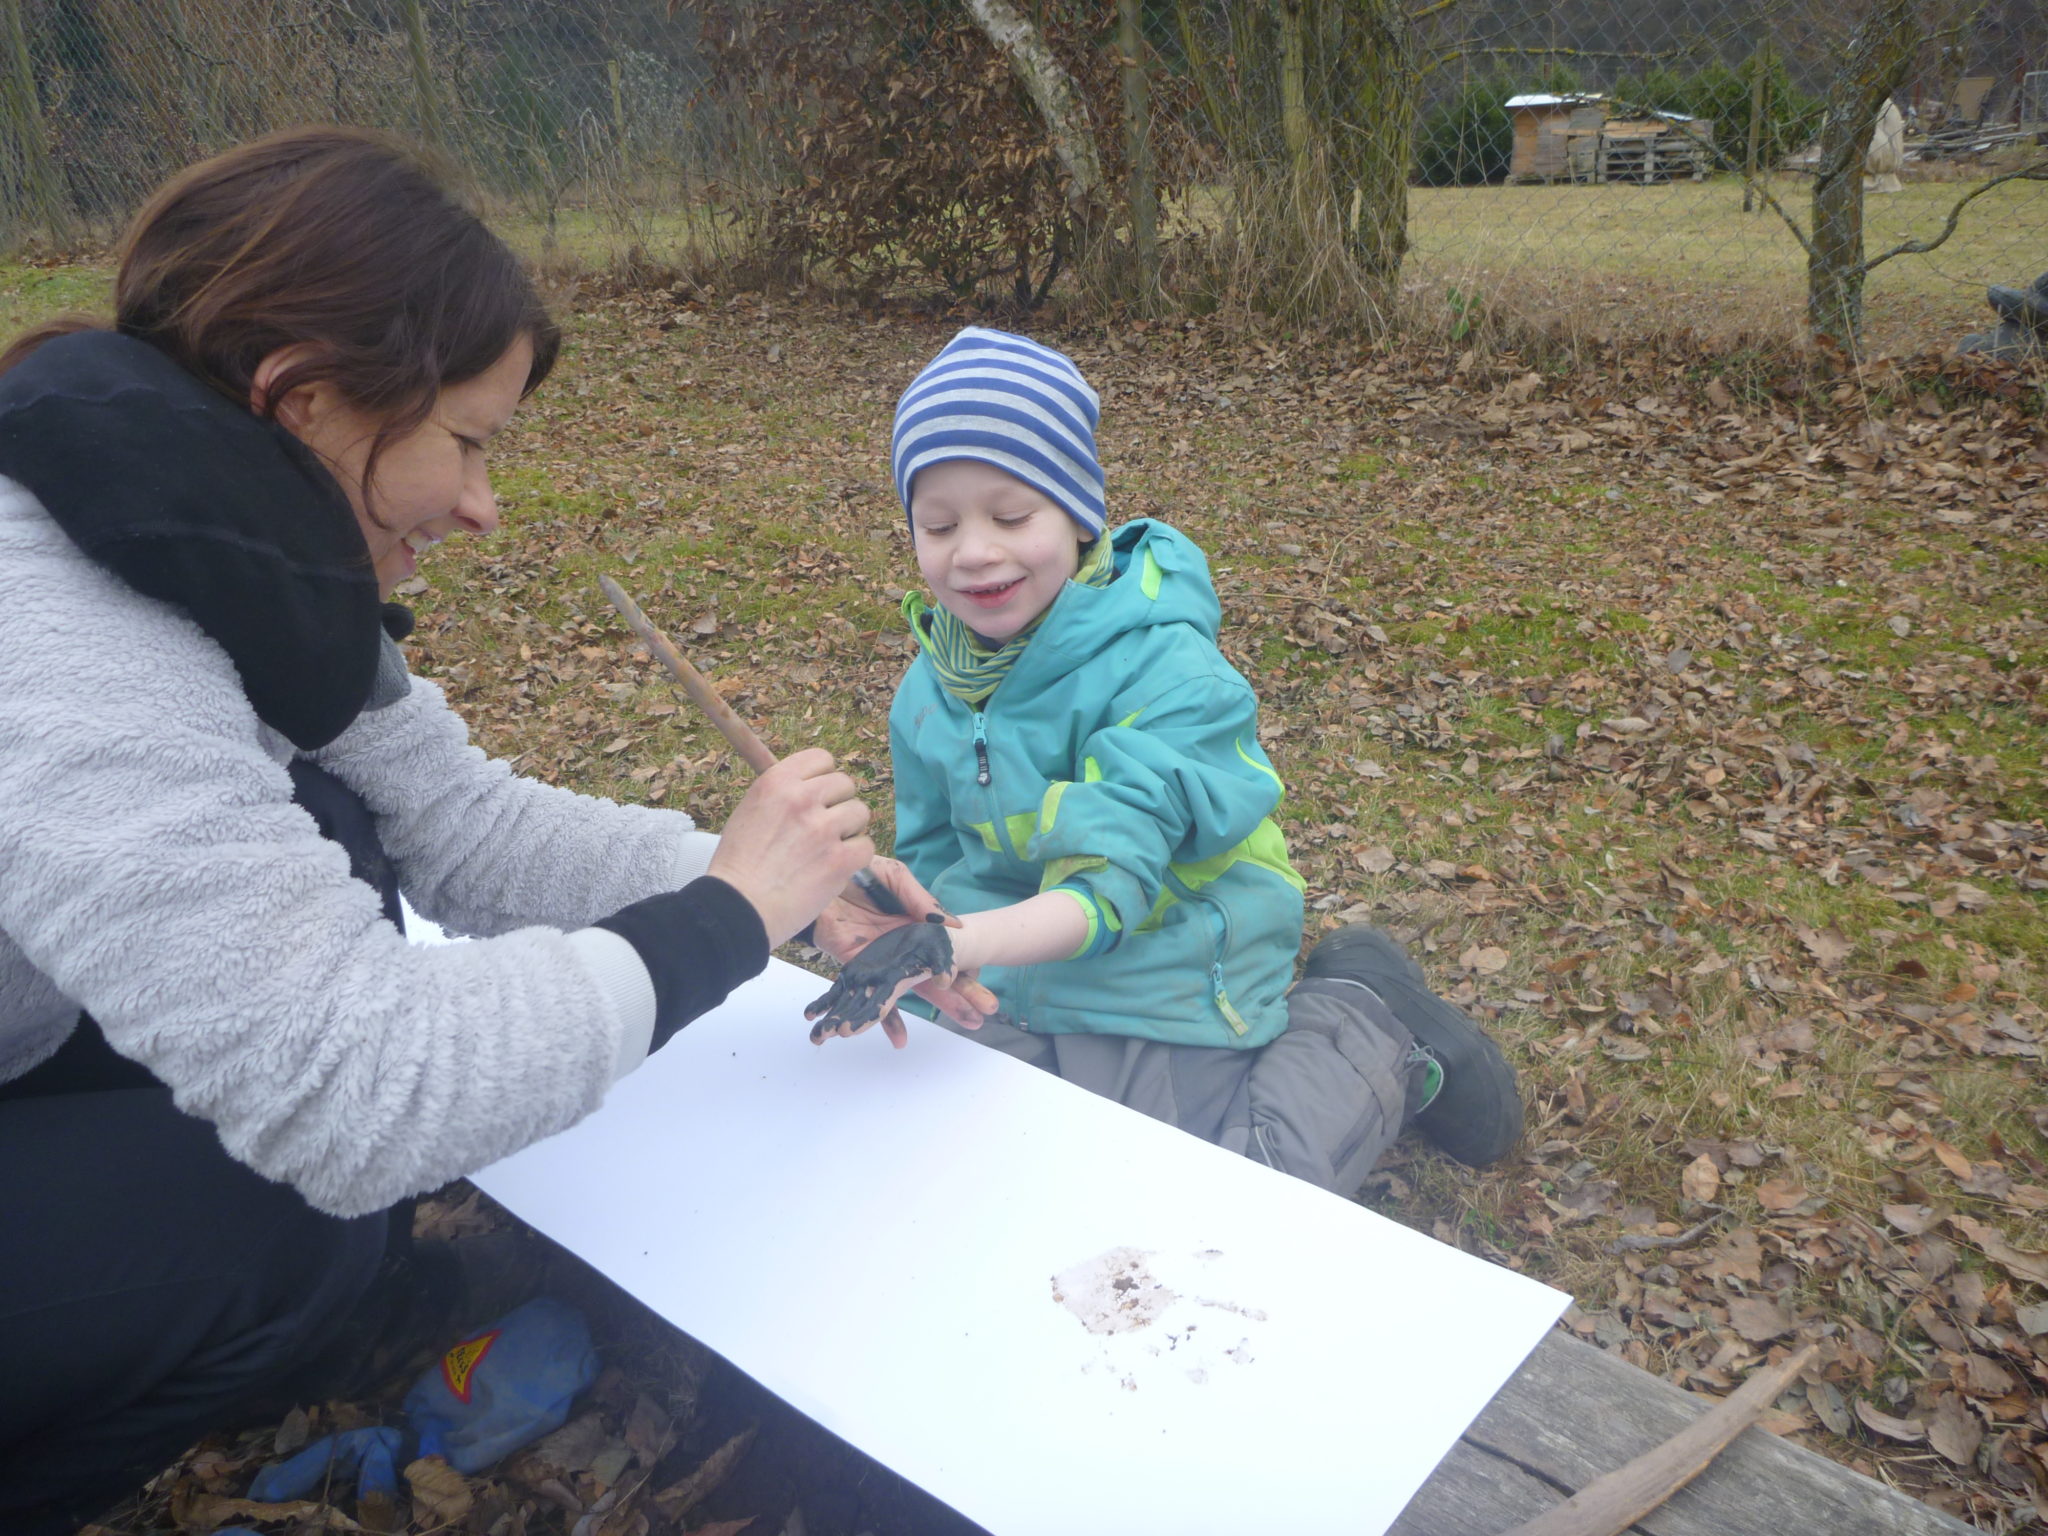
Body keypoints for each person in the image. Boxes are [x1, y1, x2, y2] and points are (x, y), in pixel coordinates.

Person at [0, 127, 946, 1535]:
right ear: (304, 398)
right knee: (302, 1211)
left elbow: (461, 821)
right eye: (466, 443)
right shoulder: (63, 628)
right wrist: (720, 923)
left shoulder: (226, 549)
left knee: (347, 861)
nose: (487, 508)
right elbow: (352, 1089)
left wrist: (777, 887)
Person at [807, 327, 1523, 1192]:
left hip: (1165, 969)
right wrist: (901, 918)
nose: (973, 551)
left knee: (1229, 1196)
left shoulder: (1168, 670)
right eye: (937, 523)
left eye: (1011, 515)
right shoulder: (931, 689)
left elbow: (1113, 884)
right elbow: (936, 858)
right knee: (956, 1161)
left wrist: (943, 943)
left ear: (1077, 515)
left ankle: (1367, 1019)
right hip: (1010, 977)